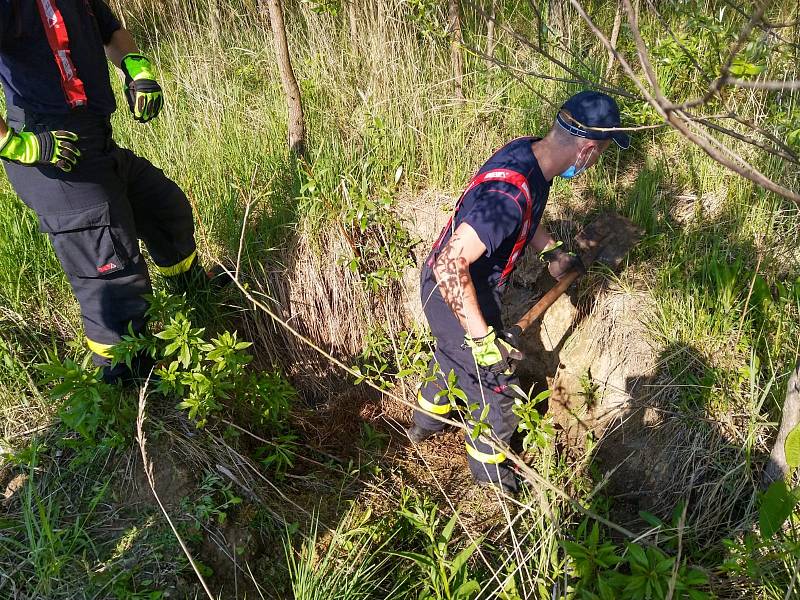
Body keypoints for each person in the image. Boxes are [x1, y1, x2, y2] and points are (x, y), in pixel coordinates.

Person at [408, 91, 631, 493]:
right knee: (495, 388)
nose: (596, 162)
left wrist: (552, 252)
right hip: (451, 291)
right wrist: (482, 339)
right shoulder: (510, 195)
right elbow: (449, 264)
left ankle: (424, 425)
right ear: (587, 150)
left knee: (450, 355)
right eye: (600, 154)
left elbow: (528, 217)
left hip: (458, 289)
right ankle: (493, 479)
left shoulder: (527, 155)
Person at [0, 1, 223, 383]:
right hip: (52, 155)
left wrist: (137, 68)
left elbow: (112, 32)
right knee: (114, 276)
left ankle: (193, 296)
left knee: (164, 209)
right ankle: (127, 384)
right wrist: (13, 143)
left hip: (97, 140)